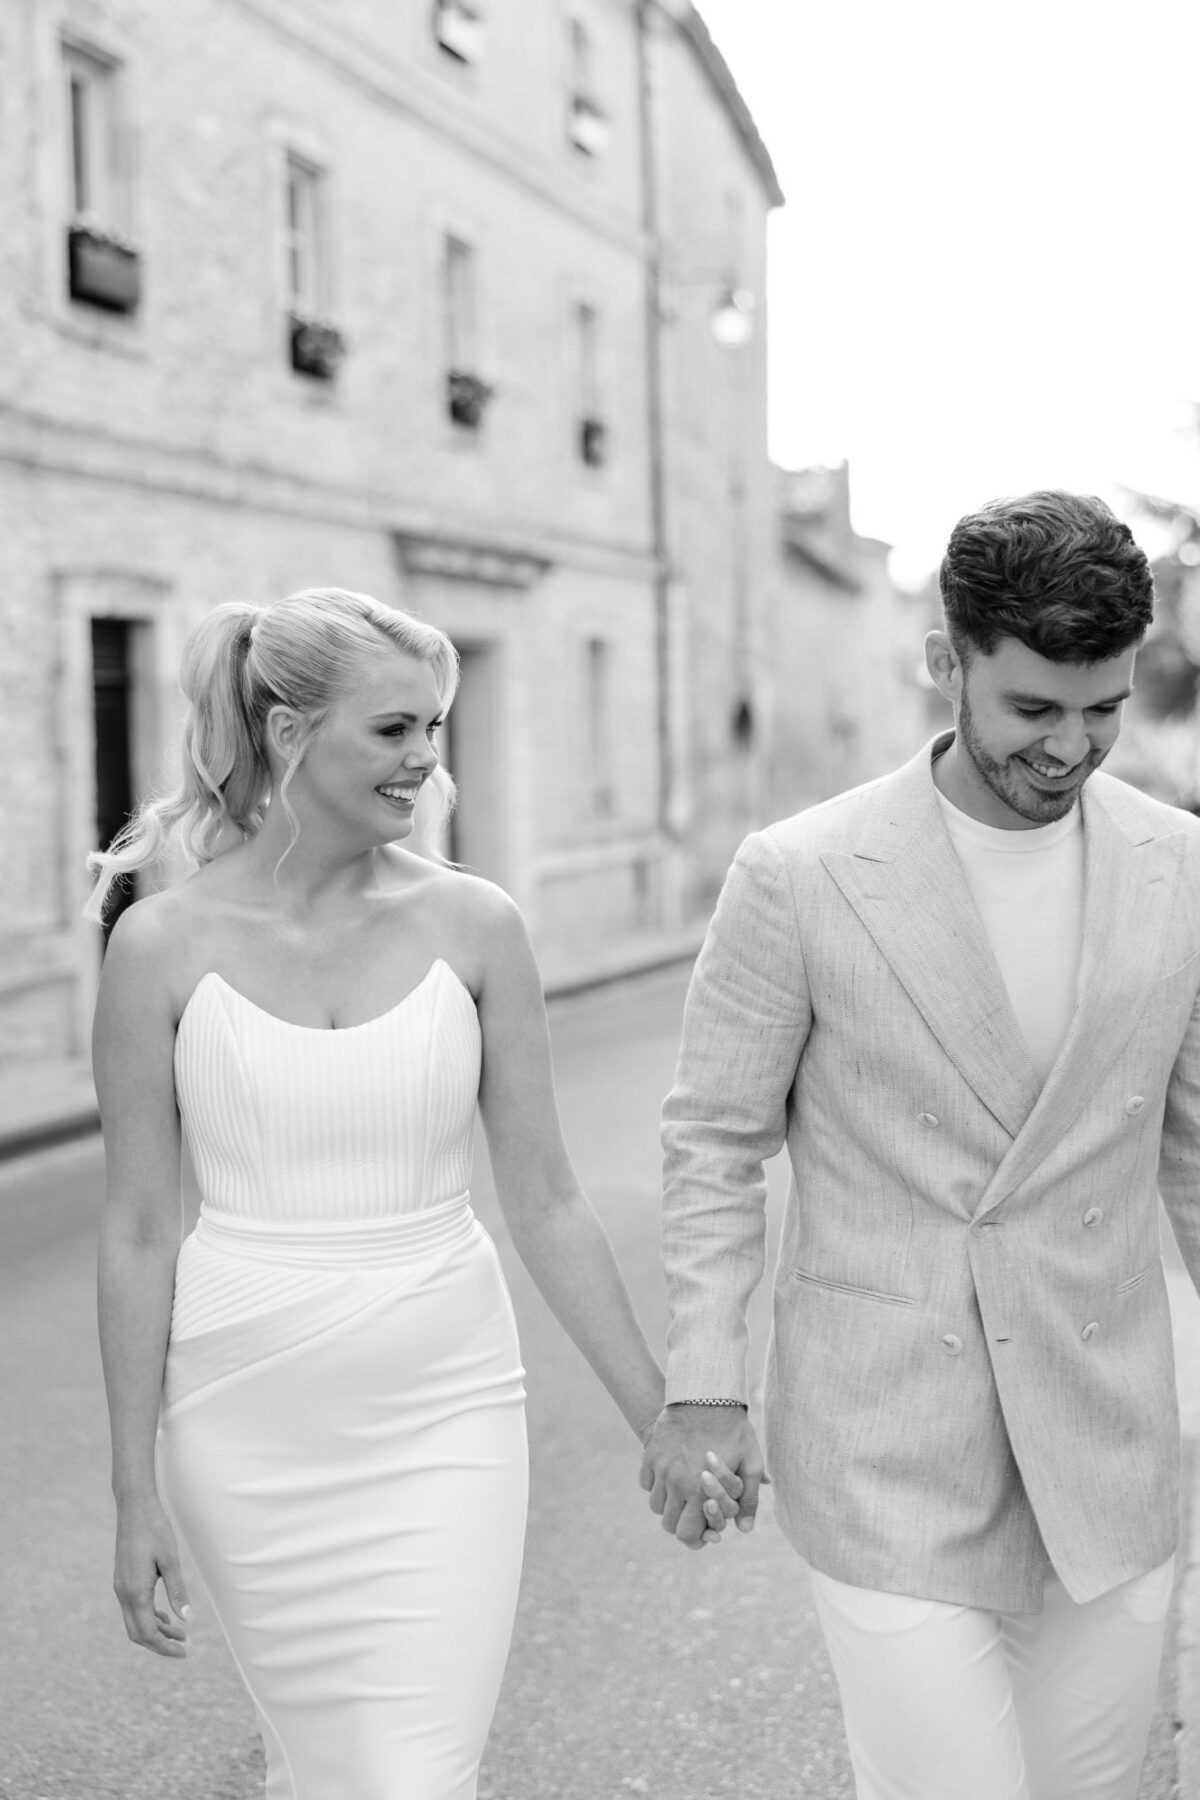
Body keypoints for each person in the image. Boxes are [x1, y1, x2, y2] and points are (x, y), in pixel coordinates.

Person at [90, 587, 738, 1800]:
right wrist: (134, 1494)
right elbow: (133, 1232)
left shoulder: (476, 924)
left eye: (432, 725)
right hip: (243, 1419)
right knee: (327, 1769)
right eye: (393, 728)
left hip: (447, 1407)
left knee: (417, 1776)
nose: (427, 757)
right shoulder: (158, 945)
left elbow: (546, 1199)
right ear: (289, 732)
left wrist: (664, 1415)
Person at [639, 491, 1200, 1800]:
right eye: (1033, 708)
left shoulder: (1181, 865)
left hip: (1106, 1430)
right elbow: (714, 1139)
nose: (1070, 748)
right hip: (889, 1434)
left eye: (1104, 710)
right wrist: (705, 1383)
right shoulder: (801, 872)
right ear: (945, 662)